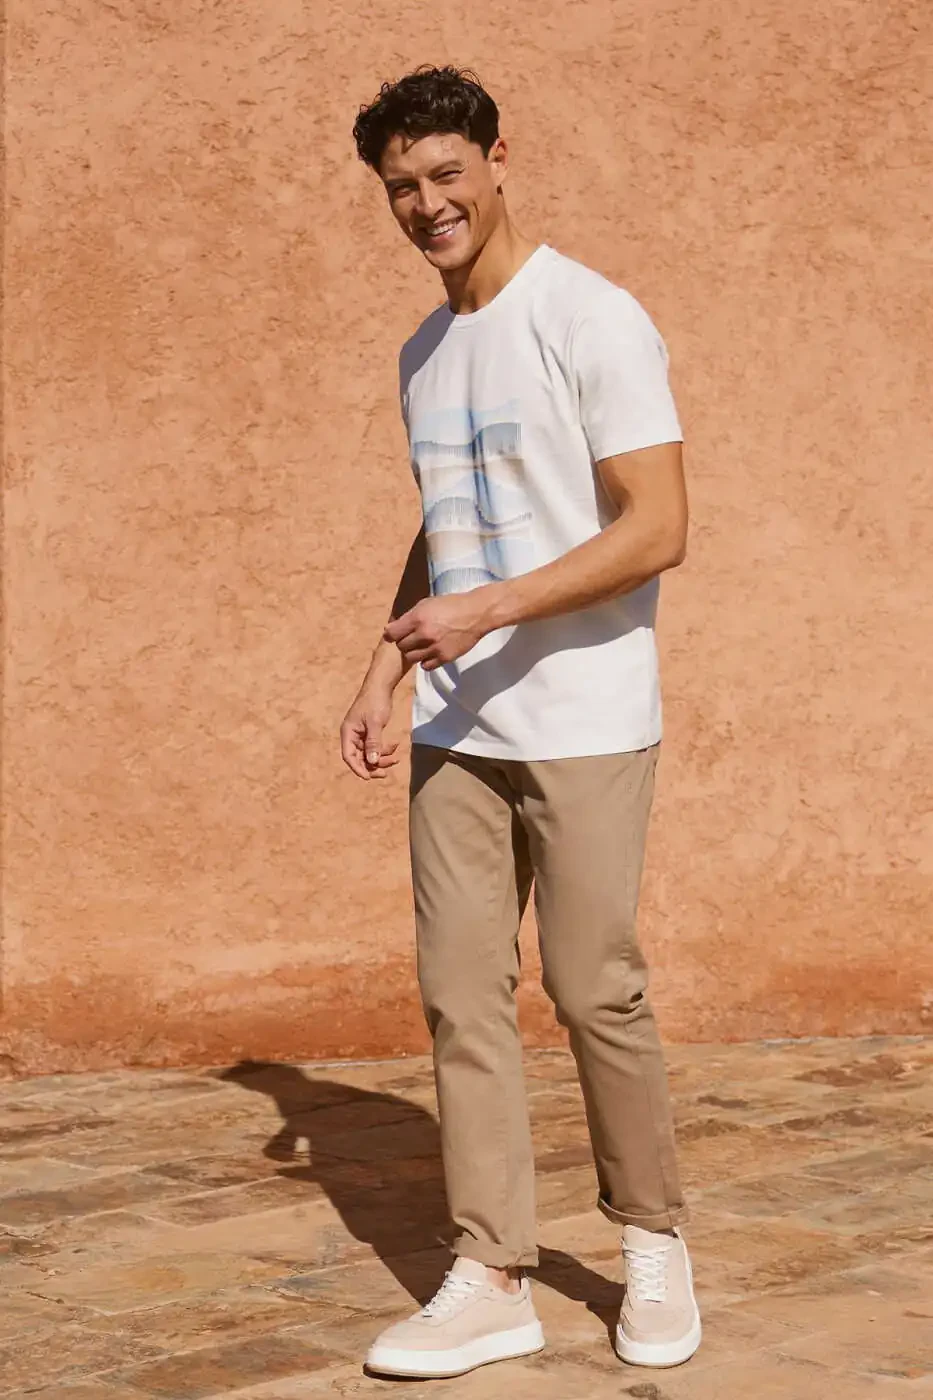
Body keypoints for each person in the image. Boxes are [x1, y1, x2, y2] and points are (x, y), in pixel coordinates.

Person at [341, 65, 700, 1380]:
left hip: (586, 714)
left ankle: (652, 1240)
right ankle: (493, 1273)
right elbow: (450, 520)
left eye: (446, 174)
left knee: (596, 988)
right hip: (457, 727)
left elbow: (659, 528)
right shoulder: (423, 353)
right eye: (401, 188)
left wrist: (489, 608)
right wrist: (384, 668)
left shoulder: (592, 318)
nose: (427, 204)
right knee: (459, 998)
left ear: (499, 160)